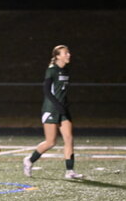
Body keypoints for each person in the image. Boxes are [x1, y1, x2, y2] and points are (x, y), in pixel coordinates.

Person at [23, 45, 84, 179]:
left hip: (63, 109)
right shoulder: (51, 70)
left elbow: (62, 91)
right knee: (51, 142)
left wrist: (65, 104)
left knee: (69, 139)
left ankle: (70, 171)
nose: (68, 55)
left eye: (68, 52)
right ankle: (29, 160)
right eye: (65, 53)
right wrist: (57, 105)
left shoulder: (66, 71)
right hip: (51, 109)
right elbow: (47, 91)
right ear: (57, 56)